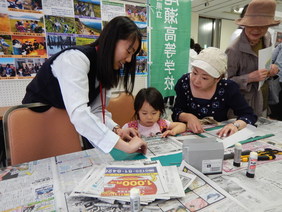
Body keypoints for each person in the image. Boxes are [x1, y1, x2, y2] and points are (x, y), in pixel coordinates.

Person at [22, 16, 147, 155]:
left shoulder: (105, 69)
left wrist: (117, 130)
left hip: (64, 127)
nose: (129, 59)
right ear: (112, 40)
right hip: (37, 124)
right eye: (129, 51)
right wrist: (126, 147)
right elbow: (80, 113)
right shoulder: (75, 59)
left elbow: (97, 110)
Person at [172, 47, 257, 138]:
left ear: (217, 78)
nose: (196, 81)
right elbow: (176, 112)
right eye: (195, 73)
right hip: (187, 136)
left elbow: (249, 115)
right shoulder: (184, 82)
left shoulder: (227, 88)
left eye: (204, 78)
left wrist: (235, 125)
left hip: (217, 136)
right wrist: (188, 117)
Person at [225, 0, 280, 117]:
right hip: (243, 107)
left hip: (263, 100)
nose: (256, 30)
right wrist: (249, 78)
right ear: (244, 24)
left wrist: (271, 69)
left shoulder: (267, 38)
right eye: (252, 25)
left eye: (262, 26)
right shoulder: (233, 49)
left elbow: (265, 62)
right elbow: (225, 83)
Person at [269, 42, 282, 120]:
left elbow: (270, 60)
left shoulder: (280, 45)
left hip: (277, 79)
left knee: (275, 110)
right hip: (278, 79)